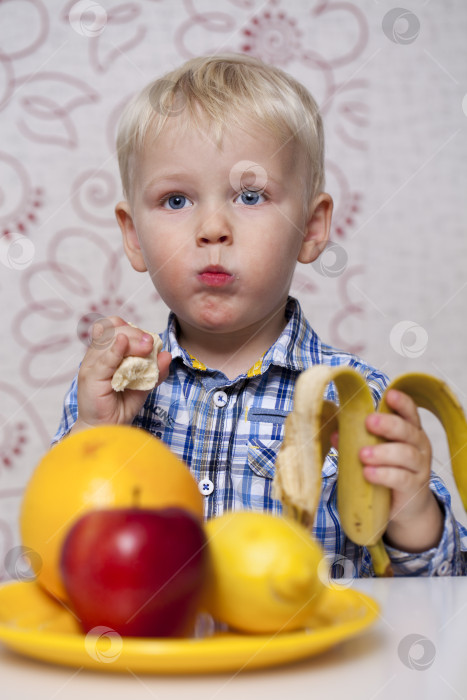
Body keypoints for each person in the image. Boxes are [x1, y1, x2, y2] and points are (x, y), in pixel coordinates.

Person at [53, 54, 466, 576]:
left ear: (312, 229)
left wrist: (414, 517)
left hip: (318, 661)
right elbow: (57, 561)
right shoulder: (108, 394)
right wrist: (95, 436)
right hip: (154, 660)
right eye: (176, 200)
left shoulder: (360, 398)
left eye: (251, 195)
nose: (212, 228)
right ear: (133, 236)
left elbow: (444, 599)